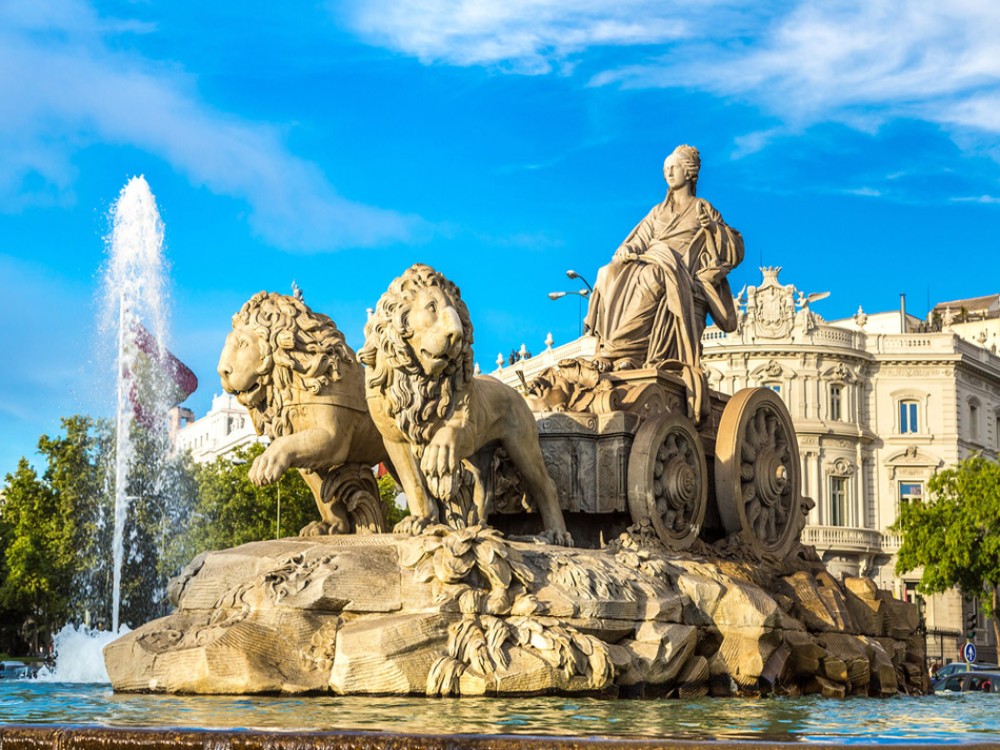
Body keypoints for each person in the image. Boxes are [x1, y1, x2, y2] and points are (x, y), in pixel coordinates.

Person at [584, 145, 744, 421]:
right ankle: (613, 352)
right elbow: (638, 238)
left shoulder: (702, 208)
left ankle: (623, 352)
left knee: (652, 275)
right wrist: (626, 251)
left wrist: (714, 229)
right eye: (665, 168)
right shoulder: (658, 212)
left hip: (679, 272)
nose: (669, 172)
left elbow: (734, 248)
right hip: (652, 260)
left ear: (690, 172)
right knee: (606, 273)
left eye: (675, 167)